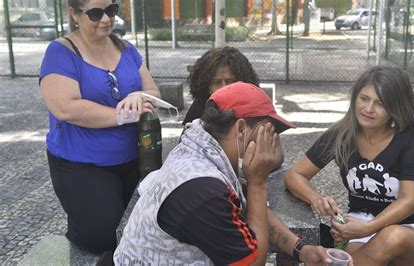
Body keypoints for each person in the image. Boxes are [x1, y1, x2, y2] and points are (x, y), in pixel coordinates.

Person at [114, 82, 331, 265]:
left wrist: (301, 250)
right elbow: (253, 261)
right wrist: (258, 184)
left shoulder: (200, 149)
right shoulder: (204, 190)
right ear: (241, 129)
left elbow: (246, 210)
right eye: (267, 133)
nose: (272, 146)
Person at [284, 66, 414, 265]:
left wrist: (370, 228)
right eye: (364, 98)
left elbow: (408, 202)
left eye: (380, 103)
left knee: (392, 237)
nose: (368, 109)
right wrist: (316, 198)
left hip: (413, 228)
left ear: (396, 108)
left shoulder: (411, 139)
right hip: (359, 222)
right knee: (353, 260)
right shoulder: (341, 135)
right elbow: (294, 175)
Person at [39, 0, 160, 254]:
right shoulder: (60, 52)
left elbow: (152, 91)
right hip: (82, 164)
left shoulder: (127, 49)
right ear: (74, 14)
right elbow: (65, 108)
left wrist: (139, 96)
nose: (106, 19)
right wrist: (124, 115)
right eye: (95, 13)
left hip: (135, 159)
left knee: (144, 229)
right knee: (101, 237)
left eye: (111, 10)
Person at [182, 46, 260, 126]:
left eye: (230, 81)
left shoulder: (255, 109)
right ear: (207, 86)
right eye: (217, 82)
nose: (224, 88)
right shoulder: (198, 109)